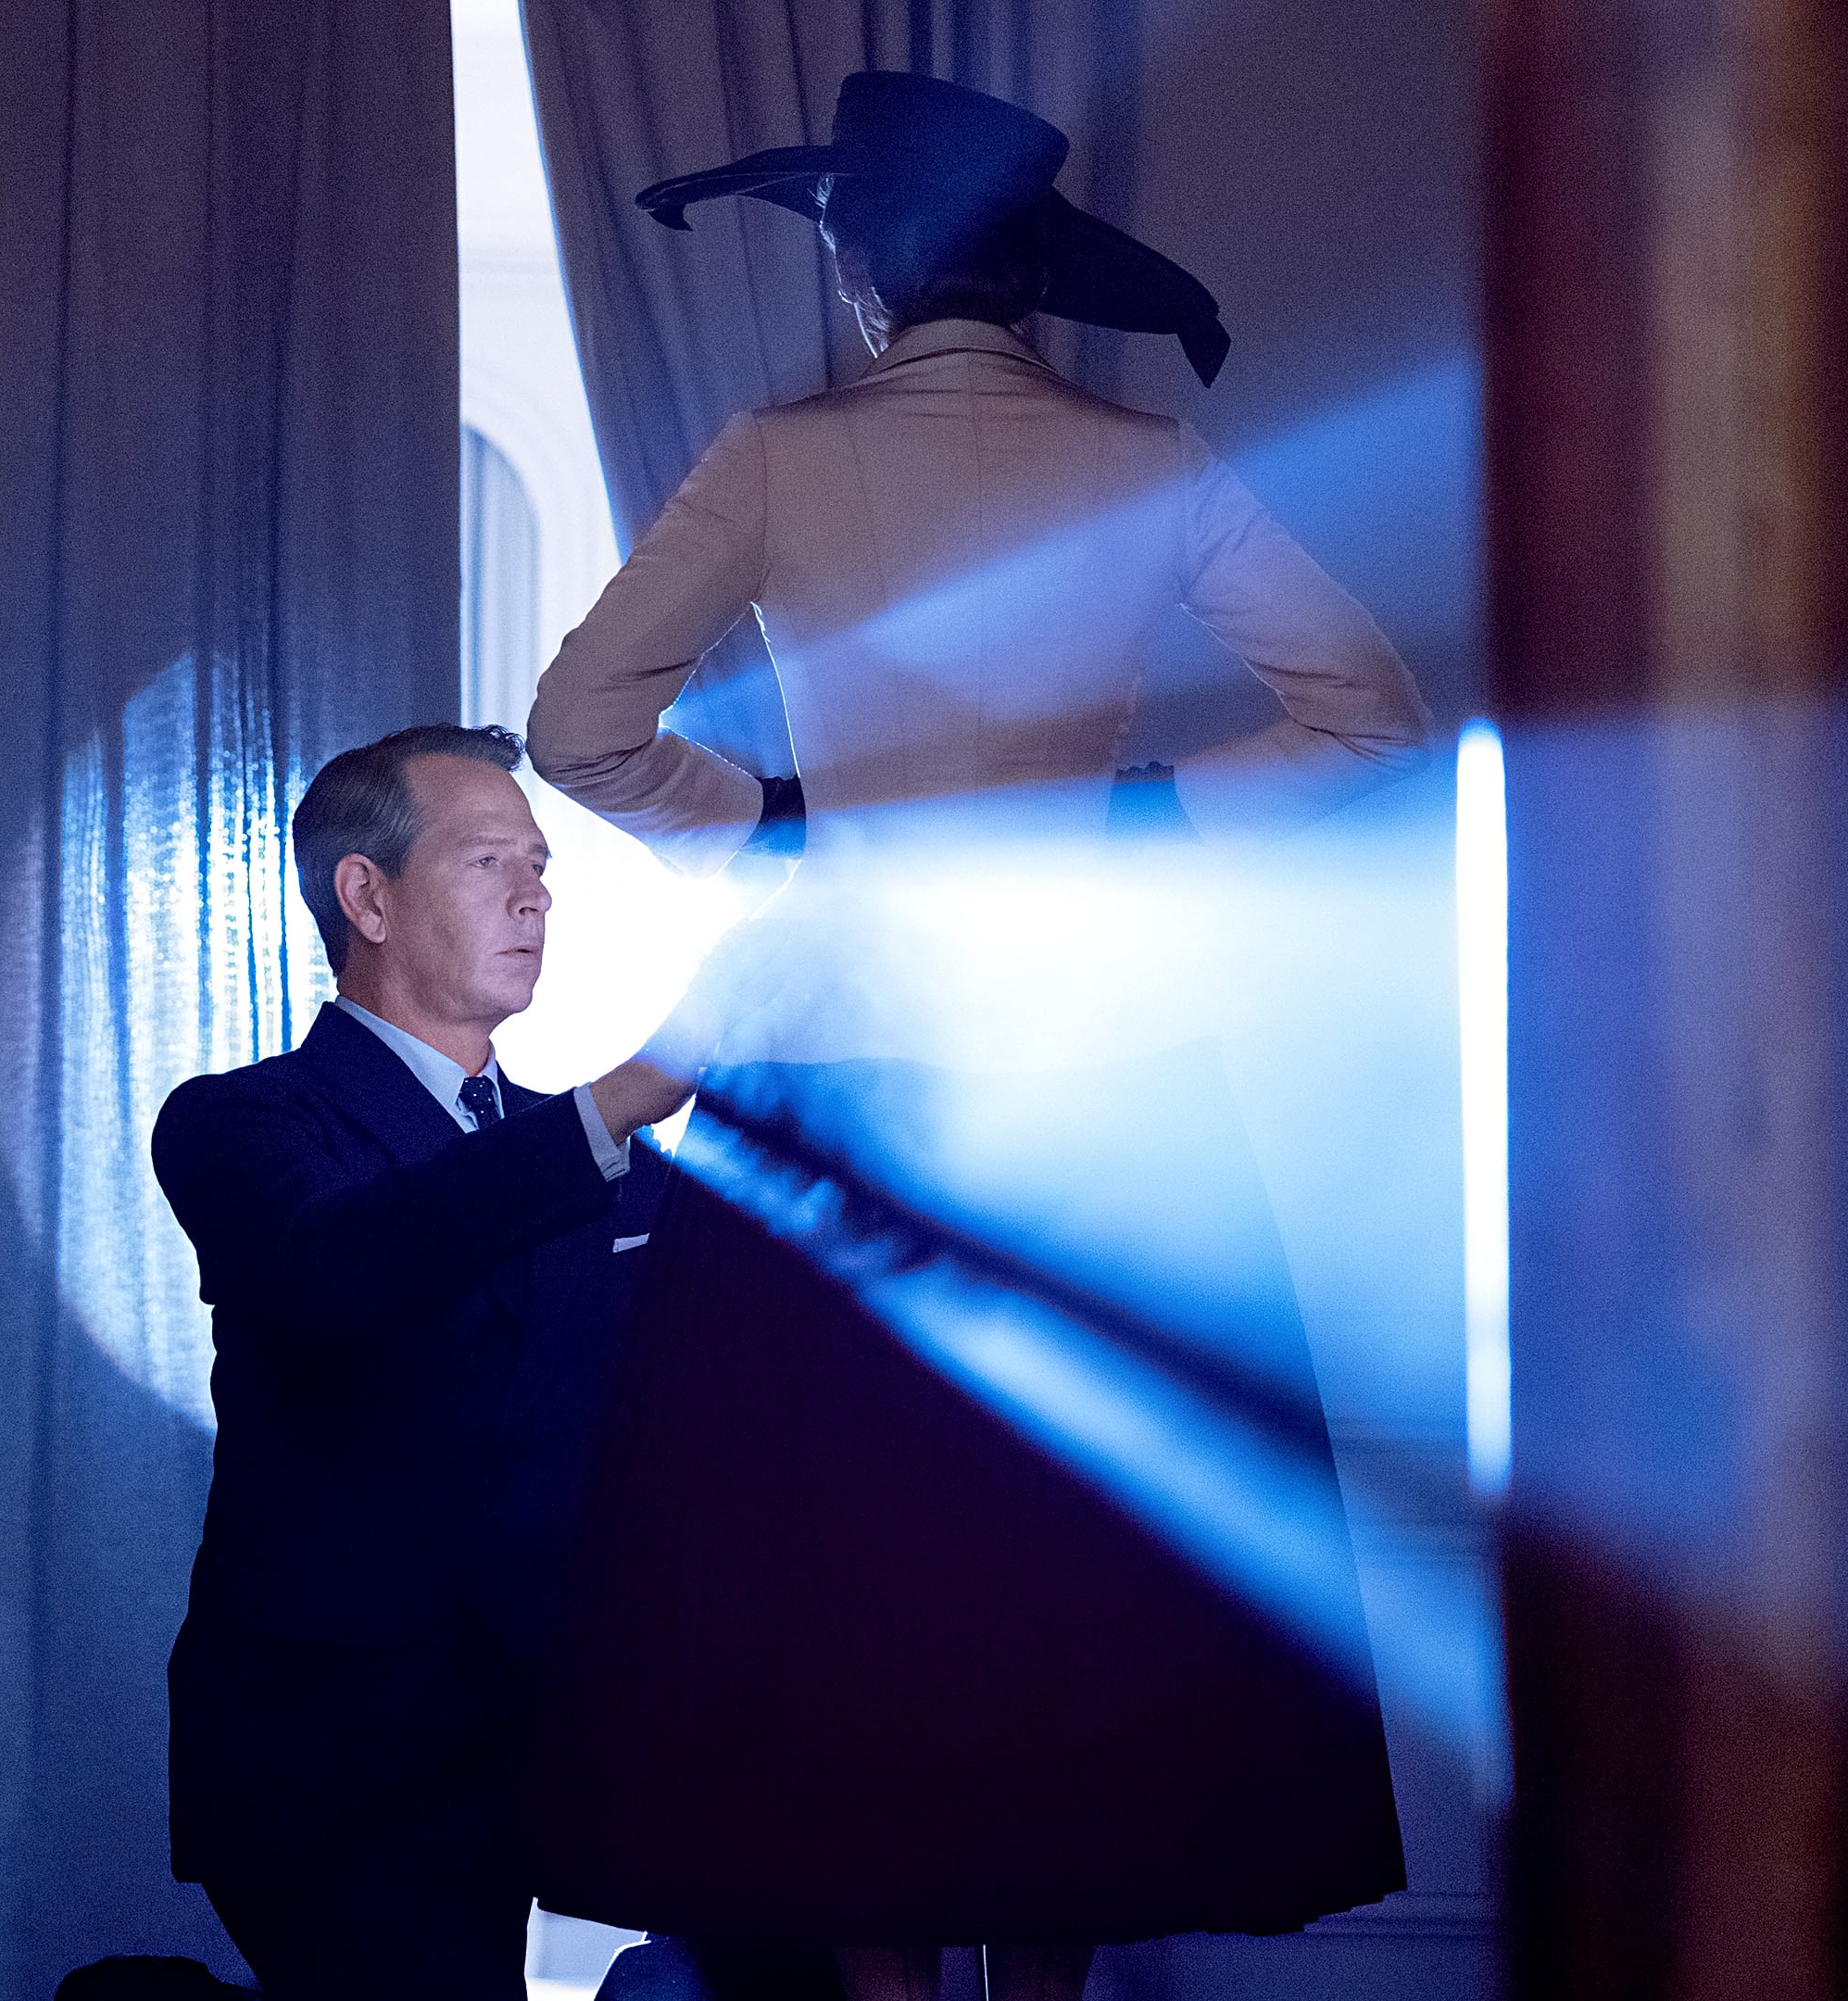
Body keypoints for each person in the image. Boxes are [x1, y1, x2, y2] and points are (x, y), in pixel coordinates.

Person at [522, 72, 1433, 2001]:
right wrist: (1135, 823)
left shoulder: (779, 455)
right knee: (1076, 1579)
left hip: (840, 1078)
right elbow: (1369, 716)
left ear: (858, 264)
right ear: (1034, 272)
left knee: (845, 1595)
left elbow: (579, 732)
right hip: (1104, 1083)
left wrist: (777, 825)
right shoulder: (1148, 458)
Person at [147, 724, 702, 2001]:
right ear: (368, 896)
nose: (534, 896)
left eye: (541, 865)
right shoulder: (243, 1119)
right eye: (488, 859)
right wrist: (626, 1095)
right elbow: (343, 1269)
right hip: (344, 1757)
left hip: (566, 1727)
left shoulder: (596, 1151)